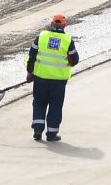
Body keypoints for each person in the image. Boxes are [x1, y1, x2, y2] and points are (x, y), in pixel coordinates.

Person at [27, 13, 79, 143]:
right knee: (55, 106)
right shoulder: (67, 40)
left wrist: (30, 72)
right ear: (64, 26)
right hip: (58, 82)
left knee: (39, 103)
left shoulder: (41, 37)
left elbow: (32, 56)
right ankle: (51, 134)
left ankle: (38, 130)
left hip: (40, 78)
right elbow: (75, 60)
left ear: (51, 24)